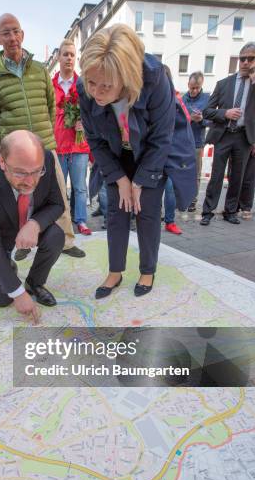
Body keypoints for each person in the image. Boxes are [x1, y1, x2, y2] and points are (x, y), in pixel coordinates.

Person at [77, 24, 196, 298]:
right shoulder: (87, 86)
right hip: (116, 154)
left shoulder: (155, 79)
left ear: (127, 77)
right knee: (116, 214)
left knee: (147, 212)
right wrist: (120, 180)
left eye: (106, 85)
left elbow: (162, 137)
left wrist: (141, 182)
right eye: (91, 82)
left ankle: (147, 270)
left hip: (152, 152)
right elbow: (95, 140)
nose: (96, 92)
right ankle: (115, 271)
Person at [0, 13, 84, 261]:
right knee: (21, 201)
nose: (12, 37)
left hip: (46, 146)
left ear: (22, 34)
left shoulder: (39, 70)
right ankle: (23, 244)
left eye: (15, 31)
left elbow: (51, 106)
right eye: (6, 33)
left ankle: (67, 241)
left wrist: (45, 135)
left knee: (59, 194)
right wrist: (9, 146)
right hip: (17, 155)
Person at [0, 130, 65, 323]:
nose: (30, 181)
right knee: (2, 299)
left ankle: (34, 282)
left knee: (55, 236)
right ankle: (8, 268)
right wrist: (17, 293)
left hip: (27, 220)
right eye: (20, 173)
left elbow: (57, 204)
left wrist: (34, 224)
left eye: (37, 171)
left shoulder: (48, 160)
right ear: (2, 162)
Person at [200, 41, 255, 226]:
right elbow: (207, 111)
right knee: (217, 175)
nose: (245, 62)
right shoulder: (223, 84)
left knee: (237, 176)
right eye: (242, 59)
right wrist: (224, 113)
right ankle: (208, 211)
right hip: (224, 134)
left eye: (250, 59)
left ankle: (230, 211)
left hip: (244, 137)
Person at [52, 39, 91, 235]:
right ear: (59, 57)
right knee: (59, 189)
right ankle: (61, 222)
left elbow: (92, 112)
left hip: (79, 146)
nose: (69, 58)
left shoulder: (83, 84)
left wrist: (84, 122)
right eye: (65, 54)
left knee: (80, 188)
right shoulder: (50, 86)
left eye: (72, 55)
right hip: (58, 146)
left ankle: (81, 220)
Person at [162, 64, 196, 235]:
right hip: (156, 155)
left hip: (172, 154)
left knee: (170, 189)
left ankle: (169, 221)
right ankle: (139, 219)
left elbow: (186, 120)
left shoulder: (176, 99)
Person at [182, 71, 210, 212]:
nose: (194, 90)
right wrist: (189, 118)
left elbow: (212, 120)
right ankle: (181, 199)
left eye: (197, 88)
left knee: (196, 174)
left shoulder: (207, 99)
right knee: (181, 171)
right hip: (182, 142)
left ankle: (193, 201)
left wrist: (202, 120)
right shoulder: (182, 98)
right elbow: (177, 118)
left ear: (201, 85)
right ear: (188, 84)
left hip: (197, 142)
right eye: (192, 87)